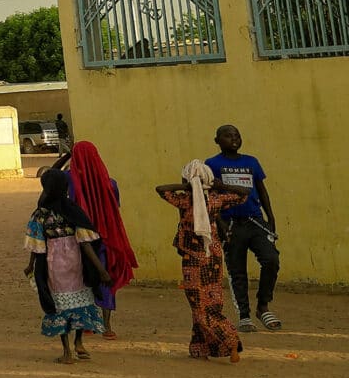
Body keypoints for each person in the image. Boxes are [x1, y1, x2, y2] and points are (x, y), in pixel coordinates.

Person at [156, 161, 245, 362]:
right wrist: (220, 187)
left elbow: (161, 190)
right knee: (211, 301)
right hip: (212, 255)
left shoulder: (187, 200)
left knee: (199, 304)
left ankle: (230, 339)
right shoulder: (215, 199)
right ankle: (200, 347)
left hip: (193, 258)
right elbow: (243, 193)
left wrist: (187, 187)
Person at [45, 141, 136, 338]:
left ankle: (85, 323)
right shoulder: (111, 184)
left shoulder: (69, 180)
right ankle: (107, 325)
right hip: (106, 236)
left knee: (81, 277)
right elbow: (115, 208)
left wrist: (67, 156)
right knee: (106, 276)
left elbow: (50, 177)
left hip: (77, 235)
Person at [25, 169, 107, 363]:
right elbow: (86, 242)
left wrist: (30, 266)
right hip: (75, 263)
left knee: (59, 304)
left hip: (55, 264)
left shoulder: (41, 214)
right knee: (80, 299)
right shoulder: (72, 210)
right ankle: (79, 342)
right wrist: (100, 270)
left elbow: (37, 246)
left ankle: (67, 352)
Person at [207, 124, 281, 332]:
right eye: (228, 136)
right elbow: (210, 196)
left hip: (255, 221)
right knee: (237, 270)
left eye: (237, 135)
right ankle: (245, 315)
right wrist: (220, 223)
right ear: (217, 140)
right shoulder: (212, 164)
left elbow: (261, 190)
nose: (234, 139)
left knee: (271, 259)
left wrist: (271, 217)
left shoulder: (251, 162)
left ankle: (263, 306)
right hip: (230, 223)